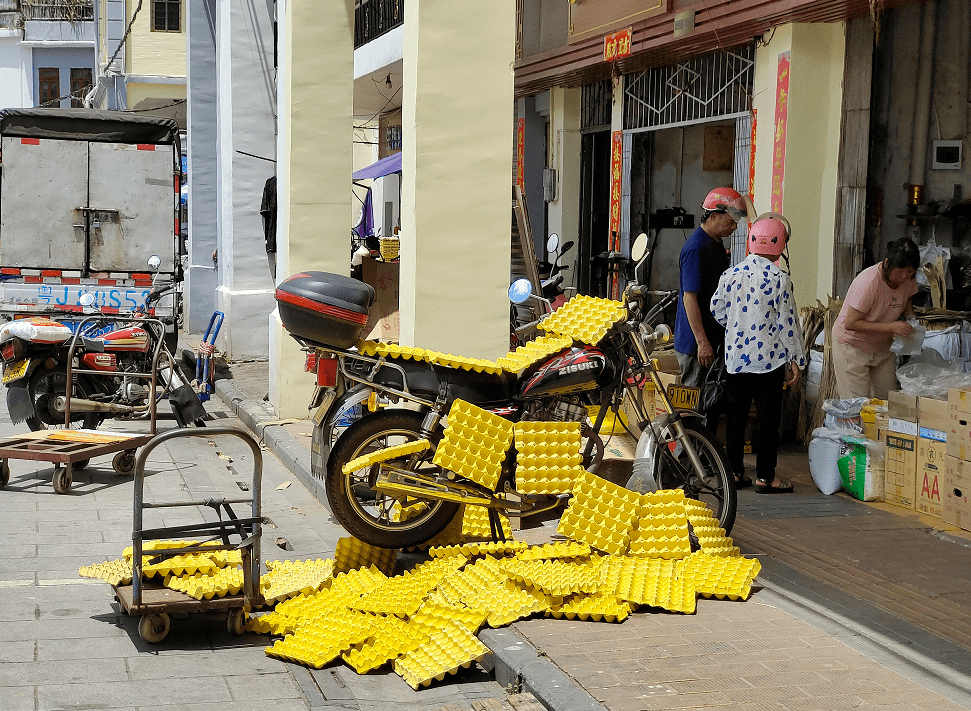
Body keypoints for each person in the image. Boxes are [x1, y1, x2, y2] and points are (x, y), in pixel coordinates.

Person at [710, 213, 805, 494]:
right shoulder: (780, 279)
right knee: (767, 422)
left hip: (736, 360)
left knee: (736, 419)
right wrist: (796, 361)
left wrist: (738, 324)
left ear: (751, 242)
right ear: (780, 245)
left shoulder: (730, 275)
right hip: (769, 361)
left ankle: (735, 473)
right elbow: (788, 324)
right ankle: (765, 477)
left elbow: (717, 310)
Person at [674, 187, 749, 389]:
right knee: (692, 407)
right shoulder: (696, 249)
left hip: (712, 339)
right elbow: (689, 298)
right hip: (695, 346)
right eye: (731, 221)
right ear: (714, 216)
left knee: (709, 404)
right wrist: (702, 342)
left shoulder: (715, 244)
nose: (734, 228)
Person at [832, 238, 920, 399]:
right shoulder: (868, 283)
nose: (903, 276)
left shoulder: (908, 280)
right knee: (858, 403)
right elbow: (850, 323)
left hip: (882, 347)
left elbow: (907, 297)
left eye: (909, 271)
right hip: (853, 346)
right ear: (887, 263)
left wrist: (911, 317)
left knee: (886, 400)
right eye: (899, 270)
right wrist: (892, 327)